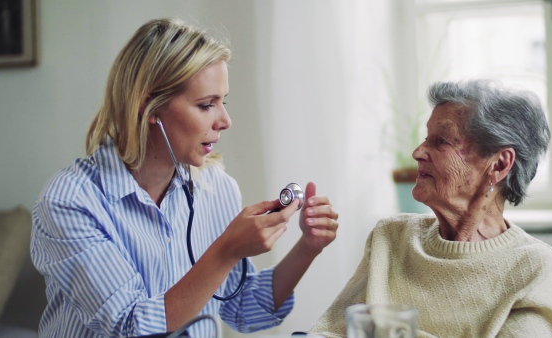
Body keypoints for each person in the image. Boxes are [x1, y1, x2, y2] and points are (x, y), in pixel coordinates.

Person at [31, 18, 339, 338]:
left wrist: (308, 246)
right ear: (150, 106)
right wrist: (226, 249)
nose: (225, 120)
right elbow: (130, 327)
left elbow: (243, 307)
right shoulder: (69, 201)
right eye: (206, 105)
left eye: (223, 102)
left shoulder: (216, 188)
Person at [309, 79, 552, 337]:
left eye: (441, 141)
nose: (418, 152)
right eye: (426, 138)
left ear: (500, 164)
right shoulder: (391, 238)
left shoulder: (534, 268)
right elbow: (330, 332)